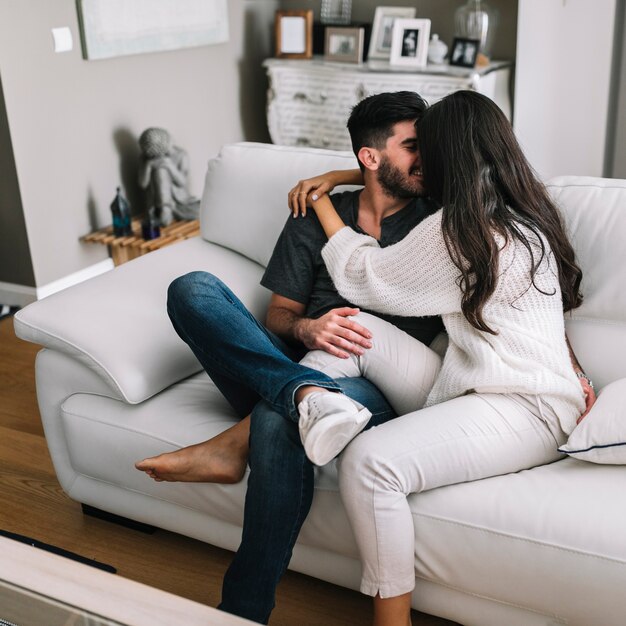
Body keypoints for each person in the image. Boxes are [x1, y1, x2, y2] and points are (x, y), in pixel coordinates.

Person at [135, 91, 445, 623]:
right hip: (289, 362)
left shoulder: (437, 215)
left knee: (280, 427)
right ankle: (299, 392)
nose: (427, 159)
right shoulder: (314, 216)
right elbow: (279, 315)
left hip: (372, 385)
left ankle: (242, 611)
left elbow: (492, 181)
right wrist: (307, 327)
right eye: (413, 146)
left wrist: (338, 173)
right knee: (192, 289)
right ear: (373, 157)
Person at [291, 90, 590, 626]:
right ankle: (314, 402)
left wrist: (323, 199)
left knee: (370, 462)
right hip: (476, 381)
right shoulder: (528, 210)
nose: (420, 164)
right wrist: (344, 175)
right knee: (352, 326)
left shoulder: (461, 230)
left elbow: (365, 276)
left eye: (425, 151)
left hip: (526, 408)